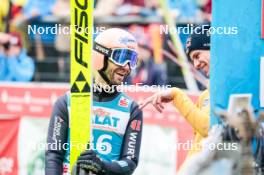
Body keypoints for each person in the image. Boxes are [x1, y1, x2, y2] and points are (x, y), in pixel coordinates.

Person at [45, 28, 143, 175]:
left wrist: (102, 166)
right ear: (100, 56)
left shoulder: (131, 109)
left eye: (132, 59)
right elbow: (53, 155)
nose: (127, 66)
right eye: (121, 57)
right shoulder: (66, 102)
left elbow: (130, 162)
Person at [139, 25, 211, 172]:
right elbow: (198, 143)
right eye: (192, 60)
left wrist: (176, 95)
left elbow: (207, 128)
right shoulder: (205, 95)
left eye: (197, 55)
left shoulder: (233, 87)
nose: (196, 65)